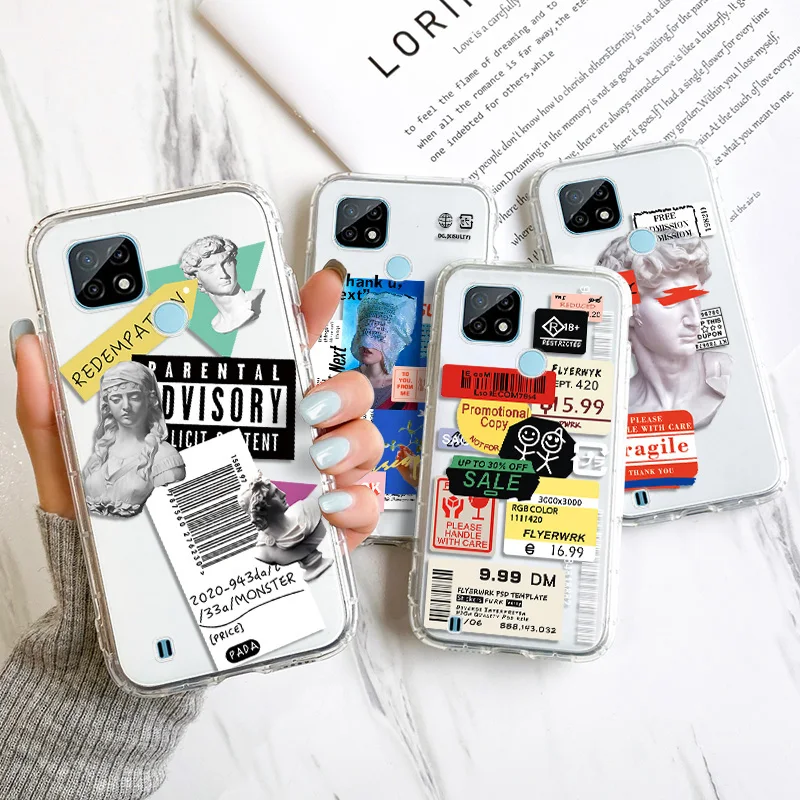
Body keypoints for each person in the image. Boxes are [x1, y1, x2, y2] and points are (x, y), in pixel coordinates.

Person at [0, 261, 382, 799]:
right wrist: (118, 650)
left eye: (135, 395)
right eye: (115, 396)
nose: (125, 405)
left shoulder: (167, 459)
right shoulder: (100, 458)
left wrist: (115, 652)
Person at [598, 235, 732, 428]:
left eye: (695, 298)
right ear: (628, 307)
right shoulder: (614, 407)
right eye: (672, 301)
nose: (695, 320)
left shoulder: (722, 373)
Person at [82, 361, 185, 517]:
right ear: (107, 405)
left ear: (150, 400)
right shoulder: (100, 453)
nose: (126, 406)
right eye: (116, 399)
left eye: (134, 397)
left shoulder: (163, 457)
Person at [238, 474, 331, 580]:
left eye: (278, 490)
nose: (283, 494)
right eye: (274, 494)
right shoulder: (265, 551)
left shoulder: (308, 510)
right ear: (261, 508)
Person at [348, 291, 418, 410]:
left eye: (377, 335)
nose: (367, 342)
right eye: (365, 332)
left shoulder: (407, 388)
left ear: (395, 342)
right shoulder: (347, 380)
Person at [179, 235, 264, 333]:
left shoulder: (257, 300)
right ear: (196, 279)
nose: (223, 274)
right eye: (209, 269)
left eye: (227, 263)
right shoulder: (216, 323)